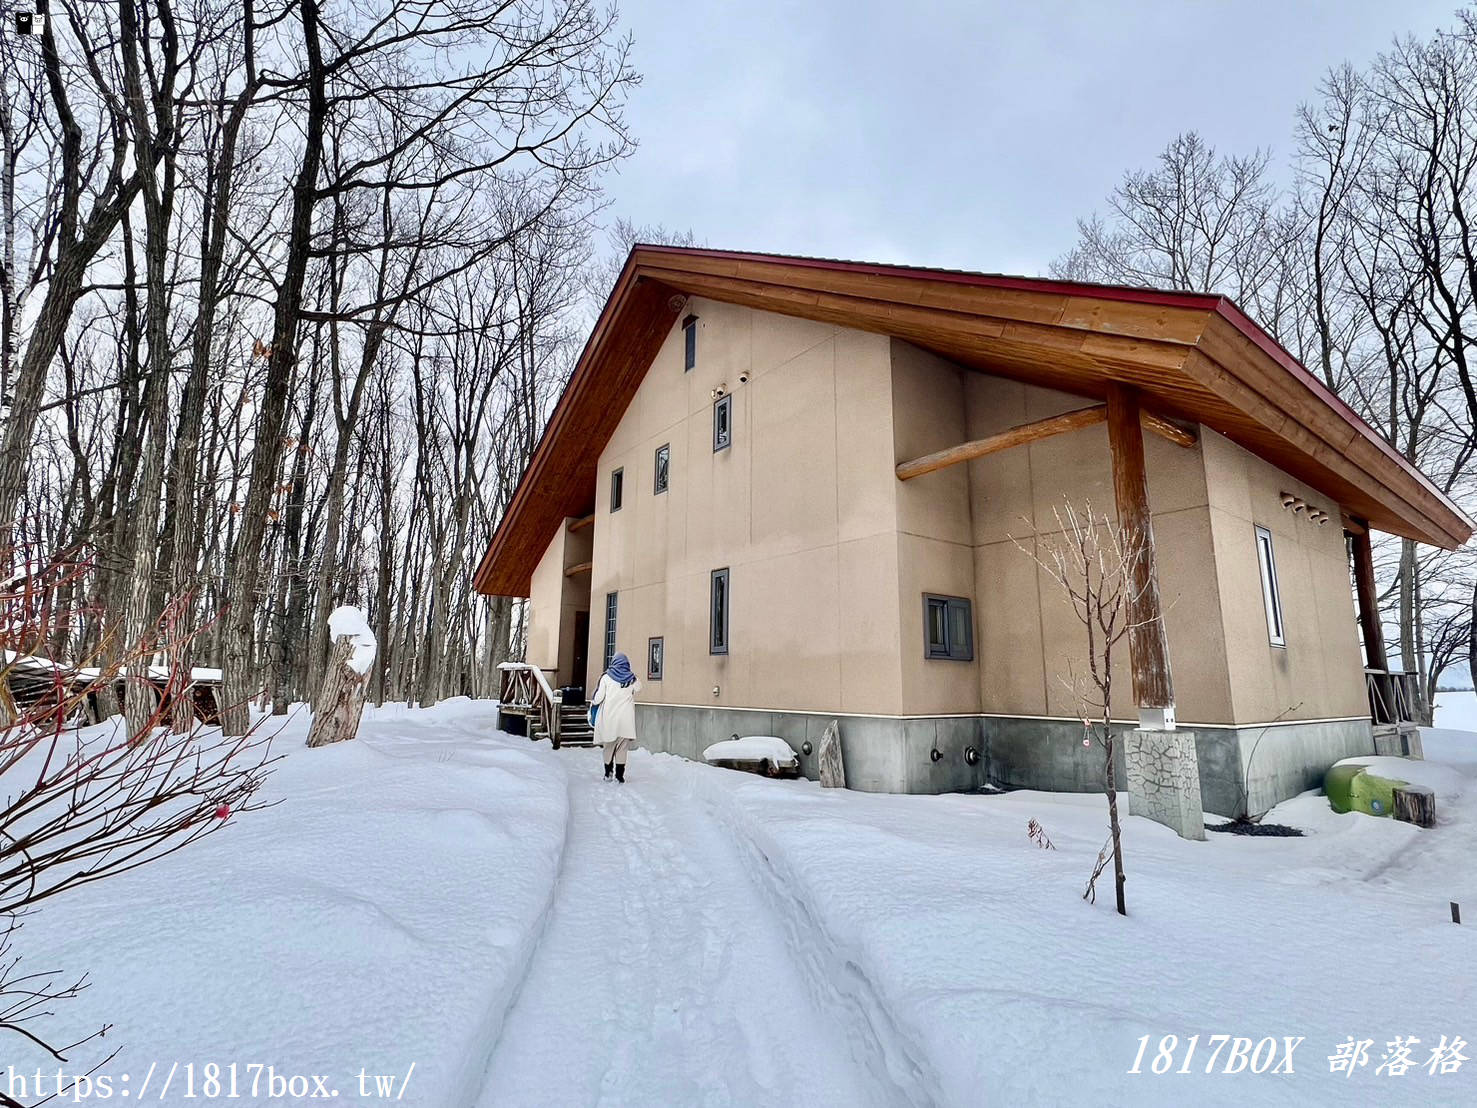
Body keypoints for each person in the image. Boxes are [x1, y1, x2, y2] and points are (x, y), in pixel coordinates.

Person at [590, 652, 641, 782]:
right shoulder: (632, 678)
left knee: (608, 746)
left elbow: (598, 698)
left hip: (609, 718)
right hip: (626, 720)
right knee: (622, 748)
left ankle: (608, 773)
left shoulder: (606, 678)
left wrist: (594, 701)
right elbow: (639, 688)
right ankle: (620, 775)